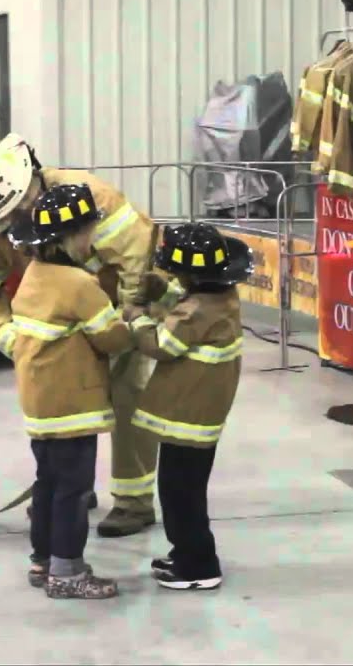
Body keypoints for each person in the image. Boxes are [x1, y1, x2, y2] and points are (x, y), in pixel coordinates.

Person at [0, 134, 180, 537]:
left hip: (125, 306)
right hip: (65, 324)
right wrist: (14, 339)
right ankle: (70, 488)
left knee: (128, 394)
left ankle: (133, 502)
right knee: (65, 405)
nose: (17, 227)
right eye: (6, 222)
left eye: (21, 209)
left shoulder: (94, 200)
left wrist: (126, 324)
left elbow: (137, 264)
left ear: (35, 180)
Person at [5, 183, 131, 599]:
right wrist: (132, 321)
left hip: (40, 403)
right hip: (72, 405)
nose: (91, 238)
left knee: (48, 484)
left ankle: (43, 561)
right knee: (74, 491)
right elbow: (111, 339)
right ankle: (68, 573)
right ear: (70, 236)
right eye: (88, 231)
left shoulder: (34, 275)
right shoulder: (77, 283)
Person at [126, 223, 250, 591]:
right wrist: (164, 292)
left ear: (191, 276)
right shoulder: (220, 298)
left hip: (188, 420)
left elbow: (162, 343)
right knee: (184, 493)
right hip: (199, 418)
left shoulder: (196, 311)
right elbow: (184, 309)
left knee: (180, 497)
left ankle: (198, 565)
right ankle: (186, 554)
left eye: (175, 273)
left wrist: (137, 316)